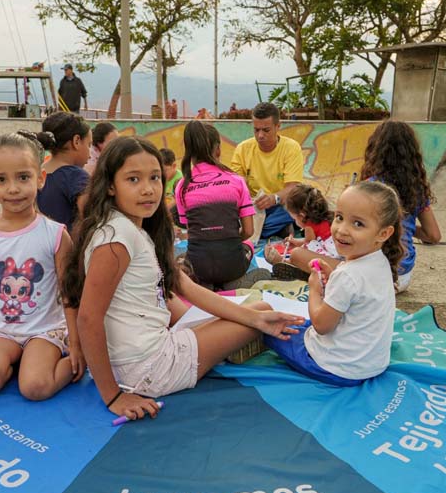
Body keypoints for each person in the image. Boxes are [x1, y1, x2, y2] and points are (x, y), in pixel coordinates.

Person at [62, 136, 304, 422]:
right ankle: (236, 343)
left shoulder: (127, 228)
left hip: (147, 349)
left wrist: (252, 320)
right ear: (111, 185)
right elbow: (89, 318)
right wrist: (113, 395)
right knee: (260, 312)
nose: (148, 189)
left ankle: (234, 337)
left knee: (257, 315)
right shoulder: (117, 239)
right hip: (149, 370)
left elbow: (186, 286)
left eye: (154, 178)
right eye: (133, 179)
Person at [0, 131, 84, 400]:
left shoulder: (55, 234)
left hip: (45, 331)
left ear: (40, 178)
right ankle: (16, 363)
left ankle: (57, 360)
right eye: (1, 179)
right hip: (1, 331)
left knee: (34, 388)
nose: (13, 188)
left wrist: (78, 346)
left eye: (23, 177)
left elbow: (70, 293)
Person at [263, 181, 401, 385]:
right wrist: (331, 281)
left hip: (336, 368)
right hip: (372, 363)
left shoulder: (347, 275)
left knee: (269, 326)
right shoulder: (379, 262)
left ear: (383, 233)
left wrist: (314, 290)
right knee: (295, 324)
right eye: (339, 217)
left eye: (358, 224)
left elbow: (321, 325)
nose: (342, 230)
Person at [175, 121, 261, 289]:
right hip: (232, 266)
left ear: (189, 152)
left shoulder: (182, 186)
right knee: (248, 246)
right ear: (218, 149)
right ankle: (233, 284)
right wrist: (230, 241)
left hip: (198, 268)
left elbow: (192, 231)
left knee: (184, 257)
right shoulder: (236, 180)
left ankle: (204, 285)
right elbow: (249, 231)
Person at [360, 120, 441, 293]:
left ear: (375, 149)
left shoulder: (369, 188)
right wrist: (407, 226)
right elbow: (433, 235)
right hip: (403, 278)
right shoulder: (417, 189)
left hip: (375, 277)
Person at [230, 102, 304, 241]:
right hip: (252, 207)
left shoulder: (291, 148)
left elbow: (293, 187)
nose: (260, 136)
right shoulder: (243, 148)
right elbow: (237, 184)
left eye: (266, 130)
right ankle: (271, 229)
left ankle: (262, 229)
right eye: (256, 130)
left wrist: (274, 198)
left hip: (280, 205)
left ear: (278, 126)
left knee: (298, 209)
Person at [36, 112, 92, 232]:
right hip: (68, 247)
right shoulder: (75, 176)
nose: (90, 155)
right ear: (76, 141)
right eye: (89, 145)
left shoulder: (35, 173)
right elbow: (90, 218)